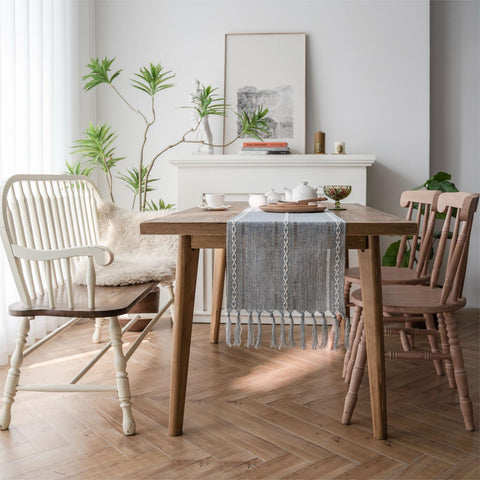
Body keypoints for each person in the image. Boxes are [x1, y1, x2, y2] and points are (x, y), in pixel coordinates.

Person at [191, 79, 213, 154]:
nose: (196, 86)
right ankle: (201, 144)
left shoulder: (202, 92)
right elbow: (191, 101)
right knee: (197, 128)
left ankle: (208, 144)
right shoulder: (191, 93)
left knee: (203, 126)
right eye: (195, 84)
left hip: (203, 111)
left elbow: (206, 100)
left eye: (197, 84)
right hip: (195, 111)